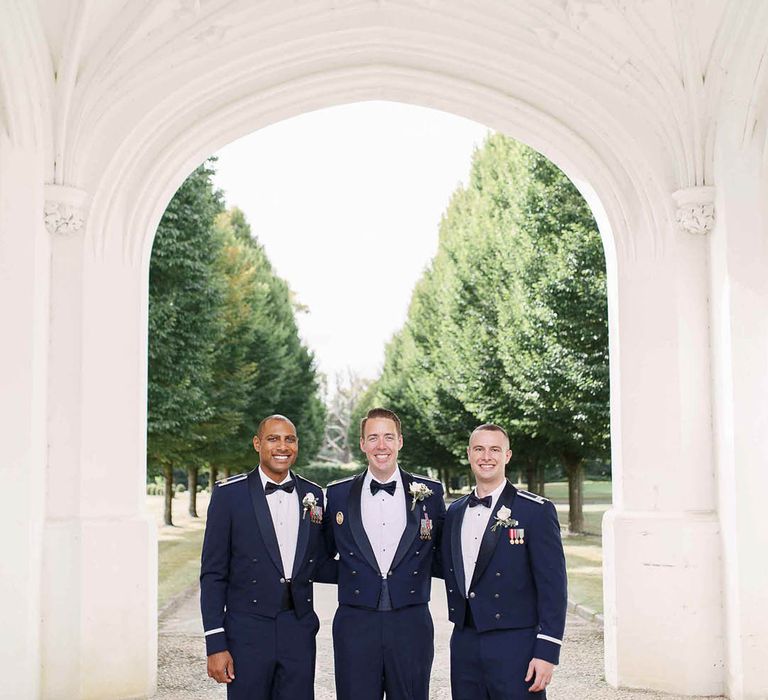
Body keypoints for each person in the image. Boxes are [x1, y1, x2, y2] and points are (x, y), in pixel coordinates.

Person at [200, 414, 335, 700]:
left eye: (289, 439)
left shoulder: (313, 495)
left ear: (297, 445)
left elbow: (319, 562)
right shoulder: (229, 495)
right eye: (273, 439)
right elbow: (213, 574)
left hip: (298, 630)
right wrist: (215, 642)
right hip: (247, 632)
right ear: (257, 443)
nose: (282, 446)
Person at [324, 407, 446, 700]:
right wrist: (355, 579)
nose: (382, 446)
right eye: (374, 437)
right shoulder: (338, 494)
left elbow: (445, 556)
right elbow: (320, 556)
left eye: (389, 437)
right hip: (354, 623)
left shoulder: (430, 492)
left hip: (411, 623)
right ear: (362, 444)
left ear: (400, 441)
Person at [441, 424, 567, 699]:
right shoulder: (455, 512)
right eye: (479, 449)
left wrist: (547, 651)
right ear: (469, 454)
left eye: (494, 449)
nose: (487, 456)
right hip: (464, 643)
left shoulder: (535, 511)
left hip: (516, 646)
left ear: (507, 456)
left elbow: (553, 588)